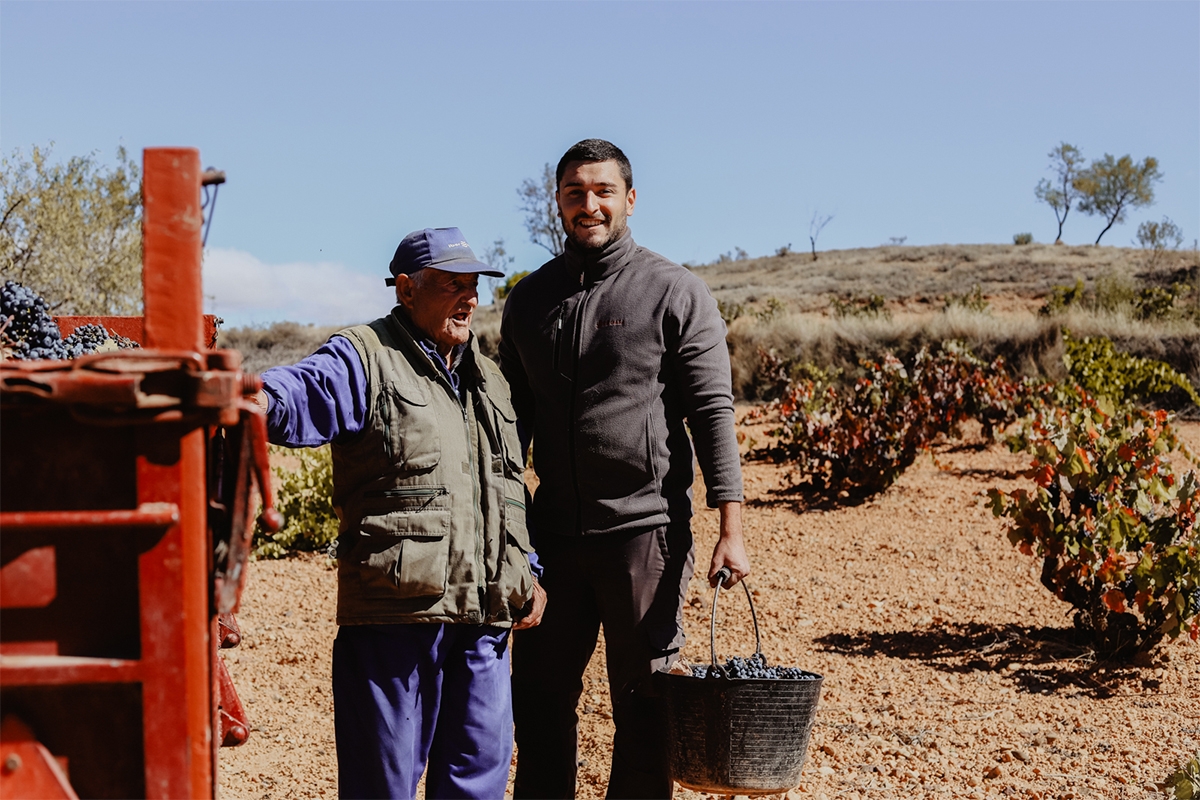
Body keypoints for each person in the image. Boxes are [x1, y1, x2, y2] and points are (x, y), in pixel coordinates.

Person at [256, 227, 547, 800]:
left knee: (478, 787)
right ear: (407, 289)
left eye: (473, 286)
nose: (467, 298)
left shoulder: (491, 379)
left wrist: (529, 568)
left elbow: (505, 487)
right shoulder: (365, 356)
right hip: (395, 624)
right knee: (381, 788)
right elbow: (304, 390)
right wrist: (257, 398)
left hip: (484, 628)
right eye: (449, 285)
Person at [499, 139, 750, 799]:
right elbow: (509, 425)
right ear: (558, 202)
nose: (591, 205)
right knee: (538, 698)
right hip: (553, 536)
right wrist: (505, 529)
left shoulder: (673, 291)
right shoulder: (531, 301)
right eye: (576, 193)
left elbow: (711, 412)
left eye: (604, 191)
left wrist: (732, 526)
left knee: (644, 706)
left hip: (646, 533)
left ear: (630, 199)